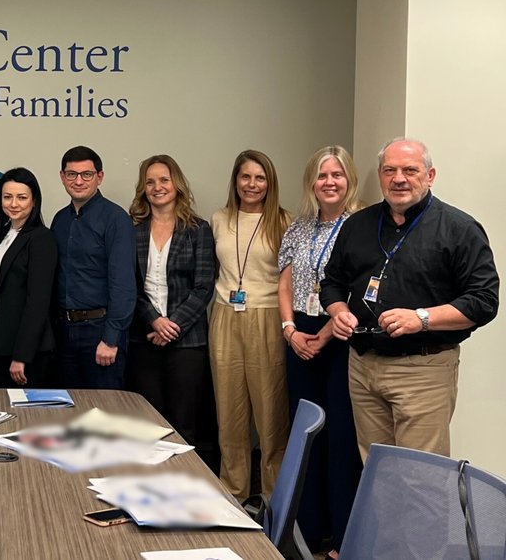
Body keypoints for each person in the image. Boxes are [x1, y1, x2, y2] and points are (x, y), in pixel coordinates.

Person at [323, 138, 499, 458]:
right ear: (379, 175)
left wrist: (421, 318)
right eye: (389, 170)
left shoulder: (459, 229)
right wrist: (337, 311)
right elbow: (332, 282)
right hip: (362, 366)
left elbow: (484, 300)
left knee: (420, 477)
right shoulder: (358, 225)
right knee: (375, 469)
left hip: (423, 369)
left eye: (410, 170)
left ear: (430, 176)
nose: (399, 178)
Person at [276, 146, 363, 558]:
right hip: (300, 336)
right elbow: (285, 284)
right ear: (312, 181)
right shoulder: (299, 226)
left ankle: (342, 538)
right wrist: (290, 330)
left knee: (341, 439)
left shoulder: (362, 226)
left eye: (338, 175)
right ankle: (306, 531)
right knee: (304, 434)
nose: (330, 182)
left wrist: (324, 335)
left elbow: (357, 294)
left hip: (341, 338)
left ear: (350, 180)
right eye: (322, 175)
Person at [210, 149, 291, 500]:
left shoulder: (285, 222)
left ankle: (275, 499)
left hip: (268, 316)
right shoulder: (219, 219)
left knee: (271, 413)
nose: (252, 184)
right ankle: (234, 492)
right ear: (235, 180)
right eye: (246, 177)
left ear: (269, 183)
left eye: (260, 178)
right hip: (225, 316)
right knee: (229, 412)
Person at [127, 155, 217, 459]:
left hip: (187, 342)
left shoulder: (198, 229)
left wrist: (172, 325)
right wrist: (154, 321)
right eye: (150, 182)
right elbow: (128, 285)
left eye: (164, 180)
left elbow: (204, 285)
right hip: (143, 338)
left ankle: (181, 493)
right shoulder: (133, 228)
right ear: (143, 188)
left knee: (184, 425)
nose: (157, 187)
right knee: (148, 424)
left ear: (176, 184)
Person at [51, 146, 136, 389]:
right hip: (64, 331)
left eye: (86, 174)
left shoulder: (116, 219)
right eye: (71, 174)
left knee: (103, 413)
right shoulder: (60, 220)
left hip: (100, 331)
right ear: (62, 177)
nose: (78, 181)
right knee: (68, 412)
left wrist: (111, 339)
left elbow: (123, 284)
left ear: (99, 177)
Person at [0, 167, 56, 388]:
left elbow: (37, 303)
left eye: (21, 198)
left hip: (25, 351)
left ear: (34, 201)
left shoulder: (41, 238)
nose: (13, 204)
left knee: (25, 417)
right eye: (7, 197)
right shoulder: (2, 234)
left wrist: (21, 356)